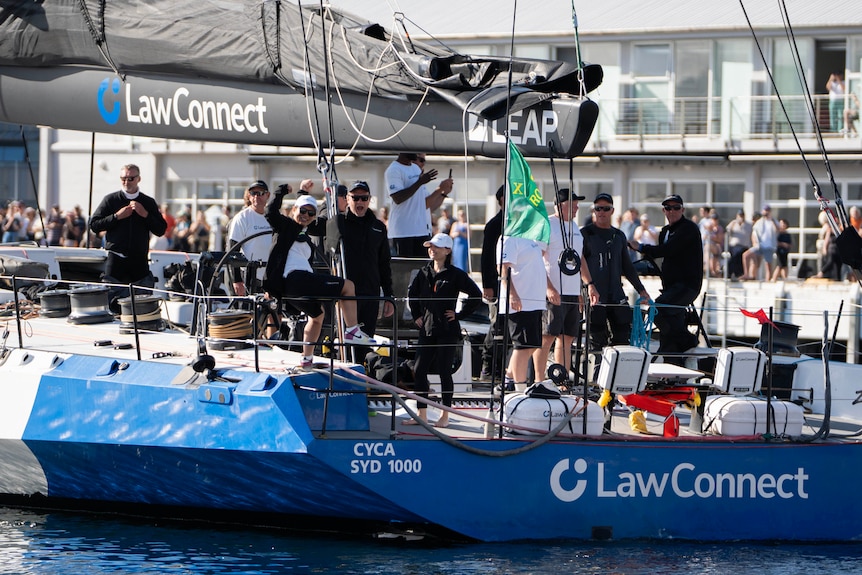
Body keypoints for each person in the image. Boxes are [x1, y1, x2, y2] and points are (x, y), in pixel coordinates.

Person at [263, 190, 376, 368]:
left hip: (295, 286)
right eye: (302, 211)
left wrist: (328, 199)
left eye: (310, 213)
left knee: (318, 316)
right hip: (295, 279)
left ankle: (306, 359)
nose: (306, 216)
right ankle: (352, 330)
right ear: (294, 210)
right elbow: (270, 212)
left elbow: (324, 220)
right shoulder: (285, 226)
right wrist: (281, 192)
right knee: (347, 286)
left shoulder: (305, 234)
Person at [406, 233, 481, 427]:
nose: (432, 249)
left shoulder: (456, 274)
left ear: (447, 250)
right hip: (427, 329)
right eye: (430, 246)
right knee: (419, 369)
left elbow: (476, 295)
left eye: (436, 247)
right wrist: (416, 316)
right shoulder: (423, 272)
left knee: (444, 371)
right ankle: (421, 414)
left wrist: (459, 314)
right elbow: (411, 295)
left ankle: (444, 416)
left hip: (447, 329)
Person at [325, 180, 395, 360]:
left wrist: (388, 295)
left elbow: (384, 263)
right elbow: (327, 250)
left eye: (363, 198)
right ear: (347, 199)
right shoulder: (339, 222)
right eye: (355, 198)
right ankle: (343, 380)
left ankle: (362, 381)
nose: (359, 202)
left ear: (369, 200)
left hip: (370, 294)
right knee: (344, 342)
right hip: (347, 294)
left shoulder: (378, 227)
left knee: (365, 343)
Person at [629, 194, 703, 362]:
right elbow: (665, 258)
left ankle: (688, 340)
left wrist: (640, 247)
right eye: (668, 208)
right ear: (664, 211)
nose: (672, 211)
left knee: (659, 310)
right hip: (671, 286)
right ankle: (671, 358)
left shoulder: (688, 229)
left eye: (676, 208)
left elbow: (668, 250)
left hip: (686, 285)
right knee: (670, 319)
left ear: (682, 210)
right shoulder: (665, 232)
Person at [534, 188, 595, 384]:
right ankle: (538, 380)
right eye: (574, 203)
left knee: (567, 338)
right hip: (553, 291)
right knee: (547, 337)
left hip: (571, 291)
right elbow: (537, 258)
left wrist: (587, 285)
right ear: (561, 205)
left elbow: (580, 258)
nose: (577, 207)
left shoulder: (575, 227)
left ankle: (562, 382)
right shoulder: (547, 225)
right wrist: (548, 288)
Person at [582, 193, 649, 355]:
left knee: (622, 338)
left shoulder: (619, 236)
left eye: (606, 208)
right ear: (594, 211)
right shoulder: (585, 234)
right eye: (598, 209)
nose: (602, 212)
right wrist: (583, 289)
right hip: (595, 295)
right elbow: (578, 265)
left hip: (616, 294)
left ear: (612, 211)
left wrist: (641, 290)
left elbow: (627, 266)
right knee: (596, 340)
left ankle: (619, 378)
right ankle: (595, 377)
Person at [89, 164, 167, 285]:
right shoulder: (110, 200)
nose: (126, 182)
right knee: (112, 298)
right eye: (123, 178)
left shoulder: (148, 202)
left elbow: (161, 230)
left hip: (139, 260)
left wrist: (145, 214)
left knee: (141, 300)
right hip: (116, 258)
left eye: (130, 178)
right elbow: (94, 225)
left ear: (138, 179)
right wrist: (116, 217)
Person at [498, 231, 548, 391]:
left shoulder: (531, 237)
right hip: (520, 302)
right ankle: (520, 390)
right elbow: (502, 267)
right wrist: (512, 294)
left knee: (532, 344)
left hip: (534, 301)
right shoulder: (509, 237)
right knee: (522, 346)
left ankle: (508, 378)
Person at [385, 152, 452, 257]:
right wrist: (420, 182)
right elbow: (397, 198)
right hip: (402, 233)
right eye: (420, 159)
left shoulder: (415, 170)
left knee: (421, 270)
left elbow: (425, 205)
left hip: (421, 232)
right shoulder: (394, 169)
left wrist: (443, 193)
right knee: (403, 270)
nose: (418, 158)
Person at [227, 180, 273, 297]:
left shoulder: (273, 217)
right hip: (249, 276)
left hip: (271, 276)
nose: (257, 196)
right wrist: (237, 280)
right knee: (249, 313)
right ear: (249, 196)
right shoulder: (242, 218)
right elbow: (233, 251)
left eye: (261, 193)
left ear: (268, 195)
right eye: (253, 193)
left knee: (273, 312)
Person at [479, 185, 505, 380]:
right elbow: (486, 256)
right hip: (497, 284)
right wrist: (487, 284)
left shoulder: (521, 224)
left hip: (517, 284)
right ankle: (488, 365)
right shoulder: (494, 225)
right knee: (497, 324)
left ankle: (503, 367)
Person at [743, 204, 778, 280]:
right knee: (746, 255)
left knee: (768, 265)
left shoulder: (773, 221)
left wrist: (771, 219)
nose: (766, 212)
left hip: (769, 246)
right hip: (759, 246)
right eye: (765, 210)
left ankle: (768, 281)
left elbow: (778, 229)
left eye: (767, 210)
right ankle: (747, 275)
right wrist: (755, 243)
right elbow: (754, 231)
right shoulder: (760, 221)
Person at [725, 210, 751, 280]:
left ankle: (739, 274)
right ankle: (730, 274)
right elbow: (727, 231)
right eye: (740, 215)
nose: (741, 217)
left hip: (744, 246)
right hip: (734, 246)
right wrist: (733, 224)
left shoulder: (748, 225)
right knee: (733, 258)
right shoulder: (733, 223)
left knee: (740, 258)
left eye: (742, 215)